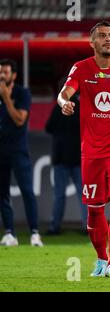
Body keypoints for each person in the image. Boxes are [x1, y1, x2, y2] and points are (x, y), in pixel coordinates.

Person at [57, 20, 110, 278]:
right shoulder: (82, 68)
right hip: (92, 151)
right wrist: (65, 103)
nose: (108, 39)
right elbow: (64, 93)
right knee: (94, 210)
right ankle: (101, 259)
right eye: (102, 36)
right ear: (92, 42)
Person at [0, 59, 44, 247]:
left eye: (6, 72)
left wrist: (6, 98)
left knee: (27, 191)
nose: (2, 76)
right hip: (0, 151)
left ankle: (34, 233)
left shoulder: (22, 93)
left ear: (14, 75)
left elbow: (19, 119)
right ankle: (10, 233)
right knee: (2, 193)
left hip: (18, 150)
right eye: (0, 72)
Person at [45, 92, 87, 235]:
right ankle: (88, 227)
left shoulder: (58, 107)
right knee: (84, 195)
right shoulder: (81, 107)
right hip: (78, 158)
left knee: (59, 195)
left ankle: (54, 227)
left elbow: (48, 127)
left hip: (61, 157)